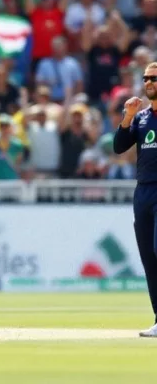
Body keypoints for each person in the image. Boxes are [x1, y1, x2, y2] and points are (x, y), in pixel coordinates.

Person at [113, 62, 157, 337]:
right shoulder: (141, 118)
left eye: (153, 78)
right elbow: (119, 147)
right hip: (143, 191)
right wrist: (127, 117)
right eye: (145, 78)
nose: (148, 82)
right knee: (149, 258)